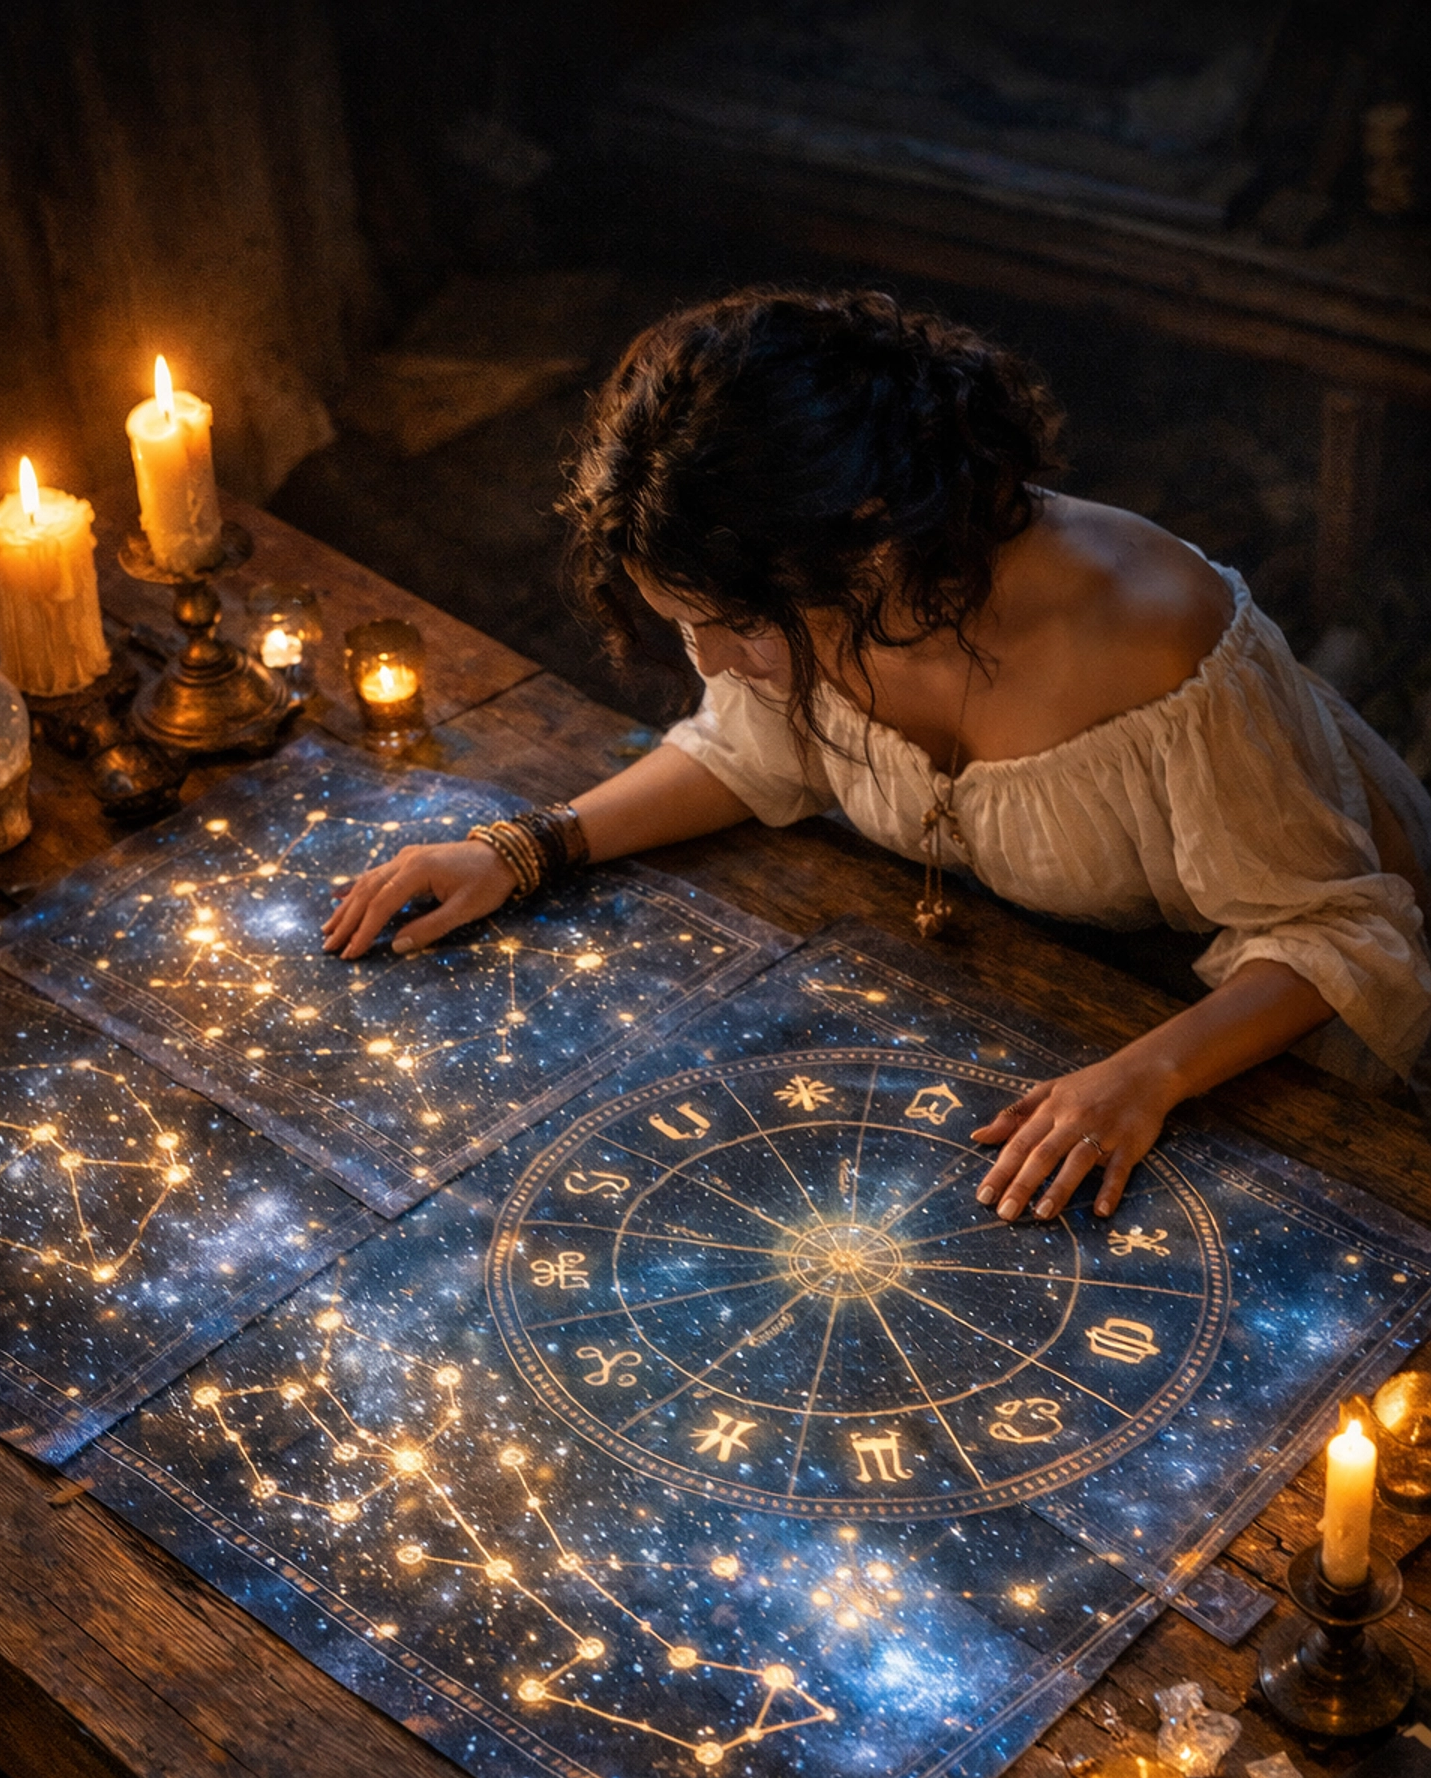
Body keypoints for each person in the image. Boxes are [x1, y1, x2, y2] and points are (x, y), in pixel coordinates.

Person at [323, 287, 1431, 1222]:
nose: (711, 661)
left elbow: (1339, 932)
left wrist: (1146, 1076)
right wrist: (527, 847)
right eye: (686, 624)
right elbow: (746, 756)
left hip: (1233, 994)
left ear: (872, 536)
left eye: (735, 626)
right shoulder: (804, 597)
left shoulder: (1151, 629)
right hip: (1035, 970)